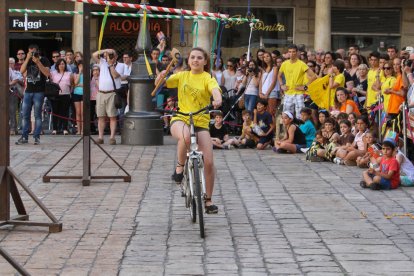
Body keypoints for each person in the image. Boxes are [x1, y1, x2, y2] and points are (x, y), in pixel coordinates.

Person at [157, 47, 222, 214]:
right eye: (192, 57)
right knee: (185, 135)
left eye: (199, 58)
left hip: (200, 121)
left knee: (208, 162)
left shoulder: (208, 77)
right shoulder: (182, 75)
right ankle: (179, 168)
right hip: (181, 118)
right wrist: (160, 76)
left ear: (205, 61)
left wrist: (217, 99)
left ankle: (208, 200)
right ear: (188, 60)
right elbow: (162, 83)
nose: (195, 60)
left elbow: (215, 90)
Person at [16, 44, 50, 145]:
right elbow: (22, 71)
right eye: (30, 52)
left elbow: (47, 73)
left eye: (33, 52)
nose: (32, 54)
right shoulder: (28, 59)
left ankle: (36, 137)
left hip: (39, 91)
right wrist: (27, 58)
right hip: (28, 91)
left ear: (38, 51)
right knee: (25, 115)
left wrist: (38, 62)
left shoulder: (44, 60)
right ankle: (24, 137)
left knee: (37, 115)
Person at [91, 48, 124, 145]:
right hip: (101, 93)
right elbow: (94, 55)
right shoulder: (102, 62)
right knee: (101, 116)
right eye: (108, 55)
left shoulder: (120, 65)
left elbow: (115, 75)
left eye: (112, 55)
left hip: (112, 93)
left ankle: (112, 137)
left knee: (112, 116)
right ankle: (100, 137)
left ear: (116, 56)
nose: (109, 57)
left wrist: (110, 64)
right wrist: (106, 50)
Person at [278, 44, 317, 119]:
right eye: (290, 52)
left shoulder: (302, 64)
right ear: (288, 53)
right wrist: (282, 85)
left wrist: (305, 87)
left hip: (299, 93)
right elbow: (279, 76)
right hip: (288, 93)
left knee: (301, 116)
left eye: (293, 52)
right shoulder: (284, 64)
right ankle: (288, 131)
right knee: (286, 116)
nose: (291, 54)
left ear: (297, 52)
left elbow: (314, 76)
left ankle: (300, 130)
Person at [49, 58, 73, 135]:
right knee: (55, 111)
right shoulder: (53, 73)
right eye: (60, 64)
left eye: (63, 64)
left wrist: (70, 92)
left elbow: (72, 84)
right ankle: (55, 129)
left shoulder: (69, 73)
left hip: (65, 95)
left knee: (65, 112)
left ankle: (65, 128)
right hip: (55, 95)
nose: (61, 65)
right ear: (57, 65)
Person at [259, 51, 279, 116]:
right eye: (264, 57)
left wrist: (267, 94)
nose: (266, 58)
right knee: (264, 112)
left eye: (267, 56)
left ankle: (272, 126)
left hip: (272, 92)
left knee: (271, 112)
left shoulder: (275, 67)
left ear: (271, 57)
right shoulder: (263, 69)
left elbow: (274, 81)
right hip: (263, 93)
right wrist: (260, 92)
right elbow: (261, 82)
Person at [9, 58, 24, 135]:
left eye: (11, 63)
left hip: (13, 91)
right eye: (8, 63)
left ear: (14, 64)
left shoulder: (16, 72)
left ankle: (13, 128)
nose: (9, 65)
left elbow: (19, 80)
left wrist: (9, 84)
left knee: (12, 110)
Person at [73, 61, 84, 135]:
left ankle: (83, 130)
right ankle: (79, 130)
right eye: (79, 66)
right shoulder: (75, 74)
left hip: (84, 94)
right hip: (76, 93)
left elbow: (86, 84)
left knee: (83, 113)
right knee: (78, 112)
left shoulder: (87, 73)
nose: (81, 67)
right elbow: (75, 83)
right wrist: (79, 73)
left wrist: (79, 85)